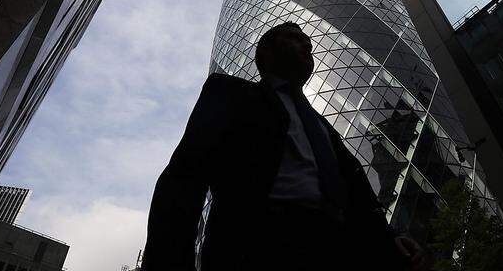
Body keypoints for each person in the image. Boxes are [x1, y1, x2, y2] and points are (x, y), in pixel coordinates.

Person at [141, 22, 425, 271]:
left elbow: (356, 190)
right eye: (294, 38)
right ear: (265, 51)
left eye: (309, 45)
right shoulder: (230, 94)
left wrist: (389, 237)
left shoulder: (321, 126)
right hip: (259, 241)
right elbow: (184, 178)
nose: (306, 46)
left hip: (337, 245)